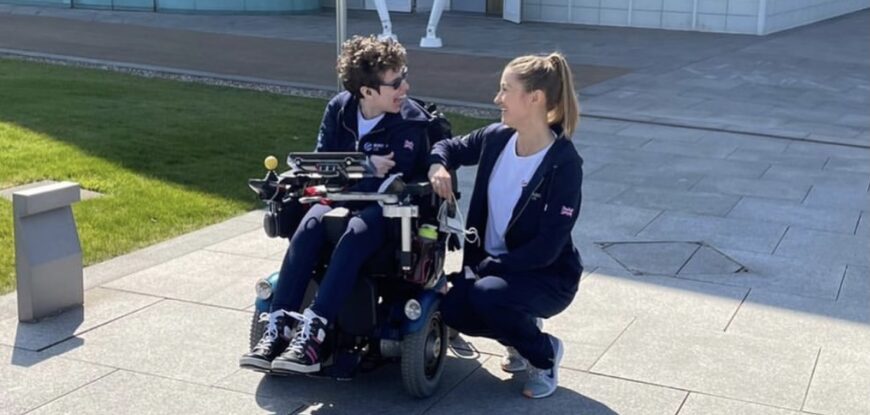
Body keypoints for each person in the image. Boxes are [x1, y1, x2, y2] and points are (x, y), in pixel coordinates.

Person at [240, 35, 433, 374]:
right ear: (367, 91)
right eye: (396, 82)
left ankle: (314, 334)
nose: (406, 87)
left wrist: (348, 170)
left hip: (387, 209)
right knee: (310, 225)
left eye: (403, 76)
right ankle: (279, 325)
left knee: (355, 232)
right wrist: (364, 165)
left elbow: (394, 181)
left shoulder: (410, 121)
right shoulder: (339, 109)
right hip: (339, 197)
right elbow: (319, 163)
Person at [428, 52, 583, 399]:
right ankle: (517, 334)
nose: (497, 99)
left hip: (546, 275)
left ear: (534, 98)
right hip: (494, 270)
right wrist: (439, 167)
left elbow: (547, 248)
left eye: (504, 90)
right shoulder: (496, 138)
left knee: (488, 296)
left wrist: (486, 268)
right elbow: (447, 147)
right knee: (454, 309)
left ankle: (543, 355)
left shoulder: (564, 164)